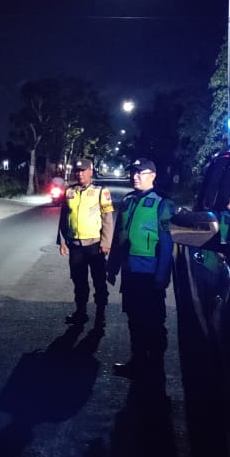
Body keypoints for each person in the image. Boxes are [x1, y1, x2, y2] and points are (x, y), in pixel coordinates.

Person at [106, 158, 175, 379]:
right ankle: (137, 362)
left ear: (152, 175)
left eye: (140, 172)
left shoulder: (162, 203)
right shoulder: (128, 201)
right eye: (133, 172)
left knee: (153, 321)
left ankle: (155, 367)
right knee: (134, 318)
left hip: (149, 274)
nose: (134, 176)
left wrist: (162, 275)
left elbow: (167, 243)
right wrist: (112, 266)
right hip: (130, 272)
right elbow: (119, 235)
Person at [56, 158, 114, 326]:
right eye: (77, 171)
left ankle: (100, 313)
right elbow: (64, 217)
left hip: (95, 246)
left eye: (83, 170)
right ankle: (81, 312)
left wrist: (106, 242)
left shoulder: (100, 191)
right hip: (76, 246)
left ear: (90, 172)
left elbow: (108, 219)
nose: (80, 174)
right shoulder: (69, 191)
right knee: (78, 281)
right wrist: (62, 241)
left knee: (99, 281)